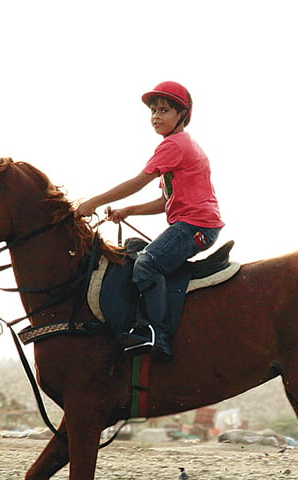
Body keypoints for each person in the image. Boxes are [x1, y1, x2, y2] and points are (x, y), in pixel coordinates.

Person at [77, 81, 223, 362]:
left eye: (165, 110)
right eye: (153, 111)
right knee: (134, 250)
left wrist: (93, 202)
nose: (156, 116)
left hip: (196, 226)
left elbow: (138, 181)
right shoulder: (180, 144)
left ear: (182, 115)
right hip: (192, 223)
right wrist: (128, 210)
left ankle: (156, 334)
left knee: (147, 263)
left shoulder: (174, 145)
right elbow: (165, 202)